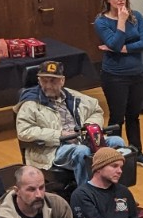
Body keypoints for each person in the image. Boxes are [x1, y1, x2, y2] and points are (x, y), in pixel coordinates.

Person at [14, 60, 126, 188]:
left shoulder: (73, 96)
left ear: (62, 80)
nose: (49, 85)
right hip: (52, 149)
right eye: (44, 81)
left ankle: (118, 191)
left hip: (83, 140)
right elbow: (24, 131)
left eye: (53, 81)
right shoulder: (30, 103)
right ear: (39, 81)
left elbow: (95, 110)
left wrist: (89, 126)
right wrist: (59, 134)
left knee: (117, 142)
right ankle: (88, 195)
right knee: (82, 152)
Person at [94, 0, 143, 168]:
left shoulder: (136, 16)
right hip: (115, 76)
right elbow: (113, 43)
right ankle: (114, 156)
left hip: (137, 73)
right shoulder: (101, 21)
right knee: (117, 116)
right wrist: (120, 21)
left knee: (133, 115)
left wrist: (123, 49)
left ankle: (136, 152)